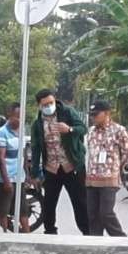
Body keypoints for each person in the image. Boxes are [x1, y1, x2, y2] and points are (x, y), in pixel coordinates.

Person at [30, 88, 89, 235]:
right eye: (45, 104)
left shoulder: (68, 113)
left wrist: (69, 129)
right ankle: (50, 232)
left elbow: (83, 129)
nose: (49, 106)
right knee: (49, 204)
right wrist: (35, 173)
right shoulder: (37, 124)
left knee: (80, 203)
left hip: (72, 167)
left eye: (51, 102)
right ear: (39, 105)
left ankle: (87, 233)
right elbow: (36, 148)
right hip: (51, 169)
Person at [84, 100, 128, 237]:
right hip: (91, 180)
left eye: (96, 114)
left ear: (107, 113)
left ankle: (121, 240)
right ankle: (96, 245)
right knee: (93, 215)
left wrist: (115, 169)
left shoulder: (119, 131)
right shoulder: (91, 131)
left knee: (105, 213)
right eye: (92, 115)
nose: (93, 117)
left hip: (109, 180)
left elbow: (126, 153)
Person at [0, 102, 30, 233]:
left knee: (23, 209)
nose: (19, 119)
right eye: (17, 116)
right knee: (4, 210)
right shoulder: (1, 133)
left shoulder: (22, 131)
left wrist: (27, 175)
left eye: (22, 116)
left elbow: (24, 154)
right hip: (6, 178)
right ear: (10, 115)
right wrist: (6, 180)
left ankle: (27, 235)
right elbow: (1, 158)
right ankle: (5, 234)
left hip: (19, 177)